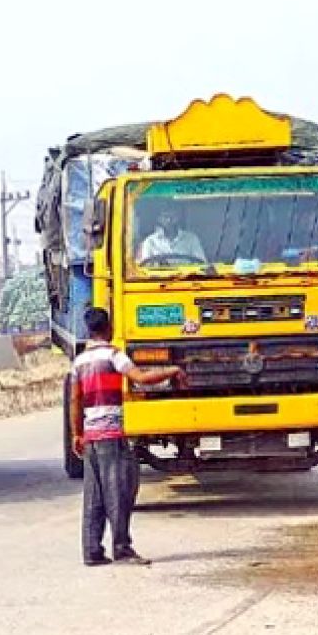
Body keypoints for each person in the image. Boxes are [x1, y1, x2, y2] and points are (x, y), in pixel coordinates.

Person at [68, 307, 185, 566]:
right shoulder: (113, 356)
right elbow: (141, 378)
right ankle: (122, 549)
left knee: (94, 496)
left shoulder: (79, 362)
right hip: (111, 435)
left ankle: (92, 551)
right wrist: (172, 370)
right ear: (108, 328)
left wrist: (77, 434)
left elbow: (75, 400)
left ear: (89, 330)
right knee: (118, 492)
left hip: (91, 436)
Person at [137, 204, 206, 265]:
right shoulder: (150, 241)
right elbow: (144, 267)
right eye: (165, 216)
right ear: (159, 219)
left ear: (178, 218)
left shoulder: (191, 239)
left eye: (173, 216)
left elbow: (201, 264)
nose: (169, 220)